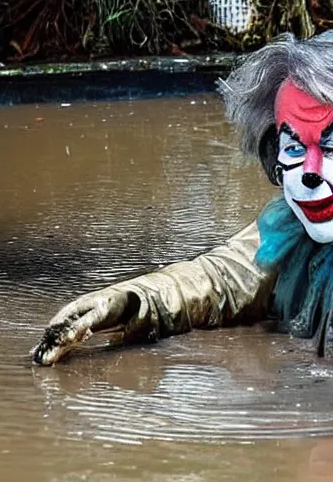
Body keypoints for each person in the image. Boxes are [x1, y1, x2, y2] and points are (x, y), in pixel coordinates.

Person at [31, 31, 333, 366]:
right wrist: (130, 302)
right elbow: (221, 279)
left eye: (332, 146)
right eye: (293, 148)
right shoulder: (290, 231)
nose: (310, 172)